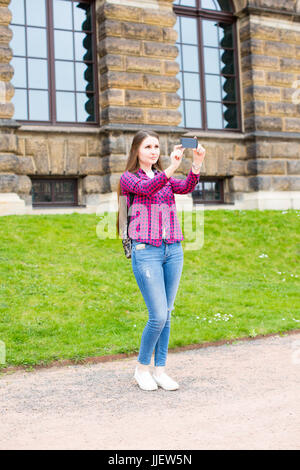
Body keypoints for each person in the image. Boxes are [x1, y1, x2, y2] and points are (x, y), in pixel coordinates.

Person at [117, 130, 206, 391]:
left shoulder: (162, 177)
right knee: (157, 315)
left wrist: (196, 162)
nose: (154, 151)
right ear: (137, 151)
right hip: (146, 251)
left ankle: (160, 370)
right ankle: (141, 368)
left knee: (166, 313)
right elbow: (146, 189)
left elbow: (186, 186)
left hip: (173, 249)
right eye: (148, 147)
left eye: (156, 146)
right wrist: (171, 168)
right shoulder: (129, 178)